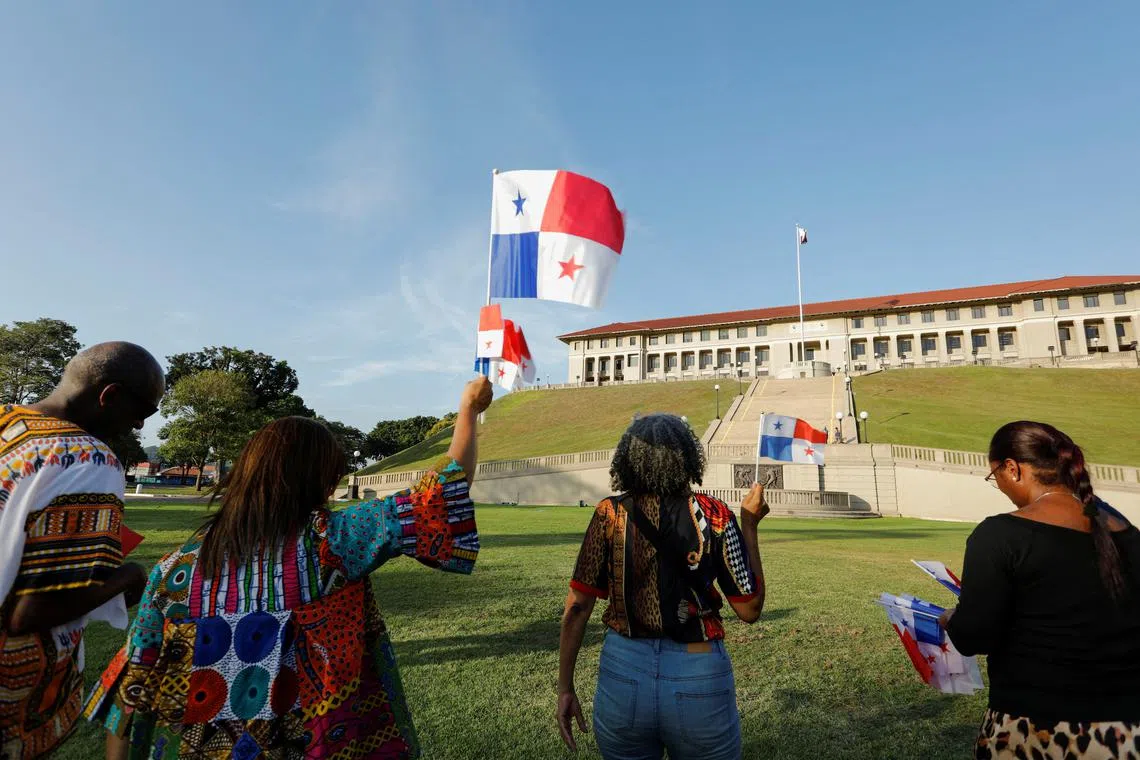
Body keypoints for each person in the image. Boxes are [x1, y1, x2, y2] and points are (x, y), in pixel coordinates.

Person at [86, 376, 493, 760]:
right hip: (316, 742)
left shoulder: (175, 570)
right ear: (311, 481)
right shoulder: (331, 543)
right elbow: (439, 494)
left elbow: (133, 686)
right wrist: (467, 410)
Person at [557, 413, 767, 760]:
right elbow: (749, 608)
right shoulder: (716, 515)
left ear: (628, 459)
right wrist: (750, 525)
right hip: (698, 670)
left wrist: (565, 687)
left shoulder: (609, 513)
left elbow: (578, 607)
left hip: (623, 670)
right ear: (687, 457)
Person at [0, 342, 165, 759]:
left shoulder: (6, 423)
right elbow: (31, 612)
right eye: (141, 411)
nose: (139, 426)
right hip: (13, 702)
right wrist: (129, 576)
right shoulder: (86, 460)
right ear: (109, 396)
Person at [941, 421, 1140, 759]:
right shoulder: (1127, 532)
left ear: (1012, 468)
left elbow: (975, 637)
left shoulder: (999, 535)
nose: (1000, 487)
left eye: (995, 478)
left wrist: (952, 618)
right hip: (1126, 731)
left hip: (1035, 727)